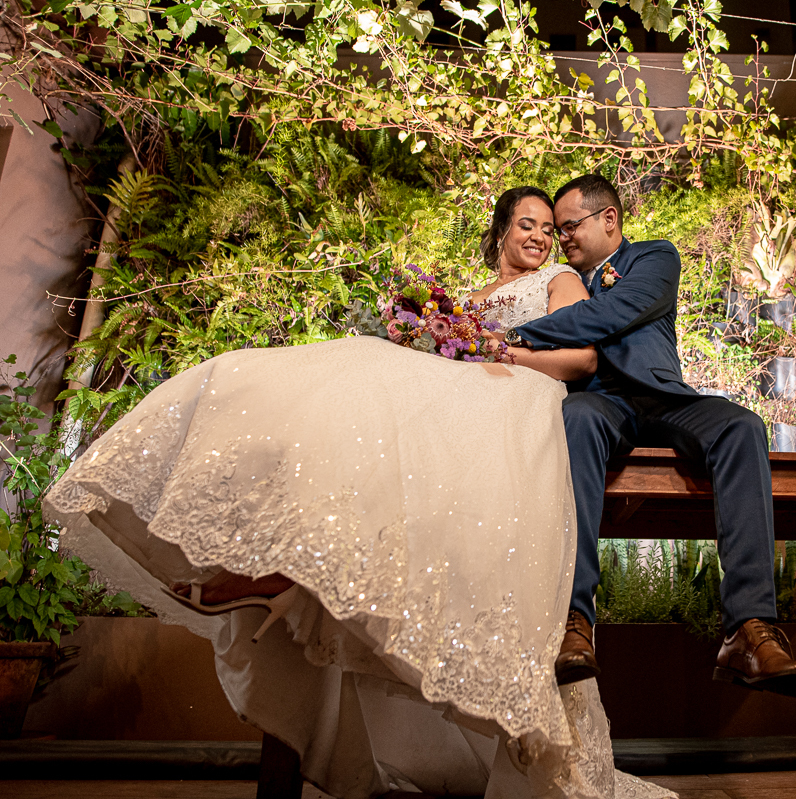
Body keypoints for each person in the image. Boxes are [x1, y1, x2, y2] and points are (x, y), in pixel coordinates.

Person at [44, 186, 671, 799]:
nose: (540, 236)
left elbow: (583, 360)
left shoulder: (560, 281)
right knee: (357, 418)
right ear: (502, 230)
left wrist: (502, 353)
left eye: (549, 228)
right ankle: (281, 565)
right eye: (527, 224)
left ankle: (282, 580)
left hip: (515, 397)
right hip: (463, 397)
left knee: (374, 379)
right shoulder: (472, 297)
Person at [506, 174, 796, 698]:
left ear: (609, 219)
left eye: (570, 226)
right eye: (558, 231)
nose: (562, 238)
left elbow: (611, 313)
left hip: (663, 399)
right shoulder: (559, 279)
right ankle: (574, 621)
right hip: (599, 402)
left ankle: (748, 629)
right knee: (575, 418)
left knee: (743, 426)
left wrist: (515, 334)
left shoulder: (653, 257)